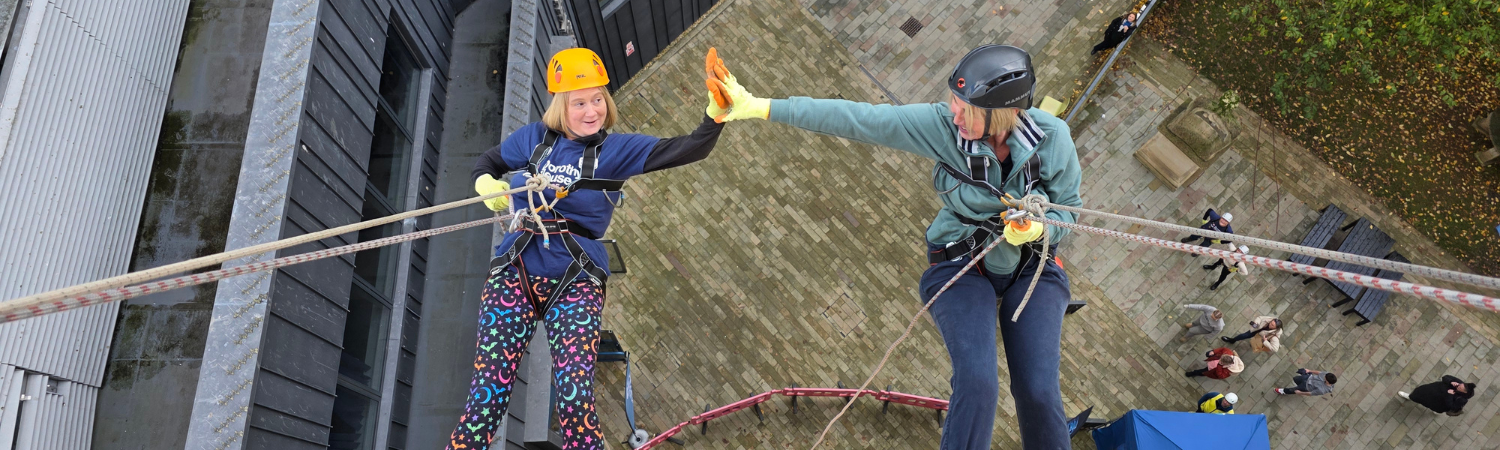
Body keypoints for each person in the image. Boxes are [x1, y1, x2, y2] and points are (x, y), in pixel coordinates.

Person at [704, 44, 1084, 449]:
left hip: (1032, 267)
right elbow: (860, 118)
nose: (954, 115)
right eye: (952, 103)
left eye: (966, 110)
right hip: (962, 264)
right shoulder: (944, 129)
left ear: (1003, 113)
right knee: (977, 384)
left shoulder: (1052, 140)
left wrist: (1038, 231)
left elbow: (1071, 212)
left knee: (1039, 392)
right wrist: (758, 106)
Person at [451, 47, 726, 450]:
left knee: (576, 402)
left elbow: (688, 148)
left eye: (598, 99)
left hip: (575, 280)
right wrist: (488, 189)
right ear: (562, 105)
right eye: (580, 102)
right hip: (516, 271)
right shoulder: (532, 140)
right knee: (484, 403)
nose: (591, 110)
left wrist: (714, 115)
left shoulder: (615, 152)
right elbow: (487, 162)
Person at [1400, 375, 1477, 416]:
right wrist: (1450, 382)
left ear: (1464, 391)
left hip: (1436, 403)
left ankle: (1410, 397)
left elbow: (1450, 406)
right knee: (1418, 392)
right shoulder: (1459, 382)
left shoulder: (1462, 400)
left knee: (1429, 404)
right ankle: (1410, 397)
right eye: (1461, 385)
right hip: (1431, 389)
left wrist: (1449, 395)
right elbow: (1445, 377)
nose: (1459, 385)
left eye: (1460, 387)